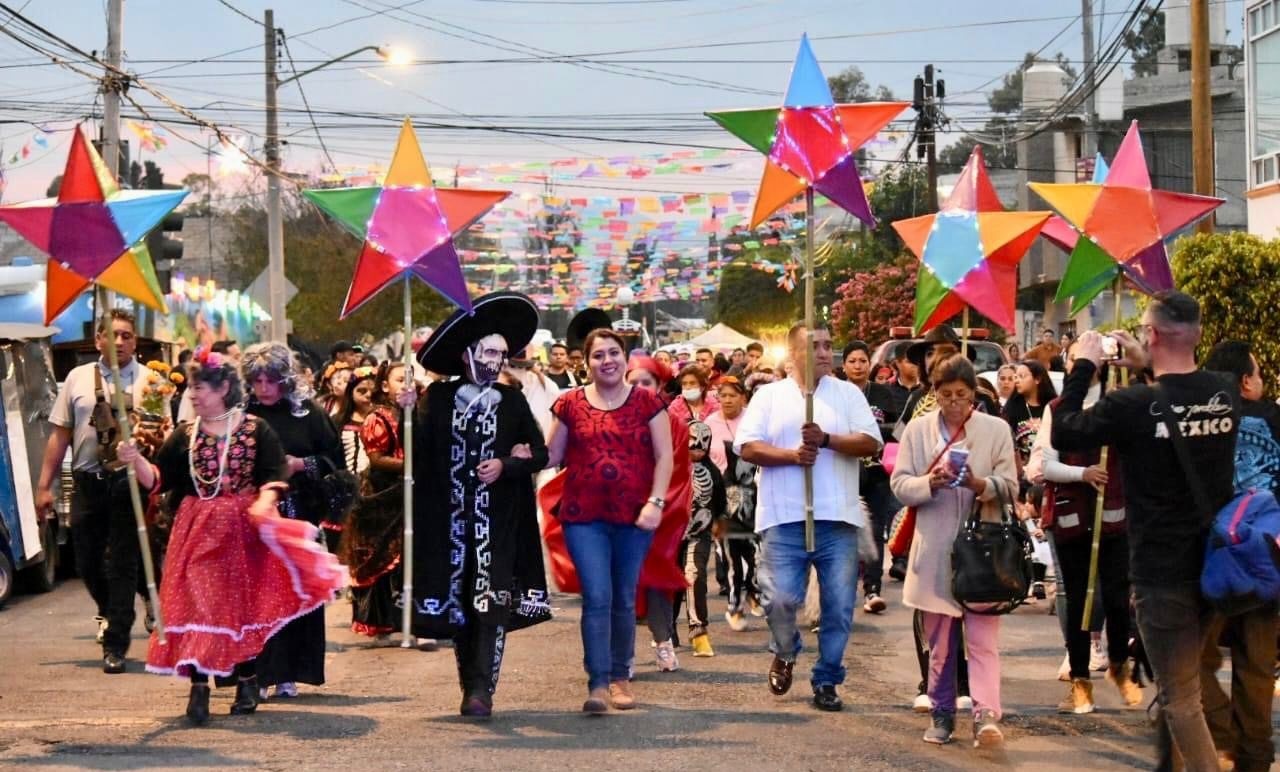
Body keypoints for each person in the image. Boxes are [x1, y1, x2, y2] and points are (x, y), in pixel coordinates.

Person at [1051, 292, 1239, 772]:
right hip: (1217, 567)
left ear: (1150, 335)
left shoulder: (1131, 404)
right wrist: (1146, 369)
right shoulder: (1223, 391)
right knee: (1188, 686)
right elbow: (1175, 401)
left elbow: (1065, 431)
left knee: (1180, 699)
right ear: (1196, 334)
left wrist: (1083, 368)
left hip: (1162, 572)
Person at [118, 347, 344, 725]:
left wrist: (264, 500)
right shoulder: (184, 435)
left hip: (243, 530)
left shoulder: (255, 430)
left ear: (223, 388)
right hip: (195, 530)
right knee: (198, 606)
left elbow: (274, 475)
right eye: (191, 388)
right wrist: (135, 460)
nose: (192, 395)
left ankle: (247, 678)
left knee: (239, 608)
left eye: (199, 387)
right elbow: (159, 481)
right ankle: (199, 687)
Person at [409, 292, 553, 718]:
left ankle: (481, 690)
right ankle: (468, 682)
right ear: (469, 353)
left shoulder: (512, 401)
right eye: (489, 351)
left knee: (491, 602)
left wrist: (506, 465)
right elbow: (418, 455)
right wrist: (405, 416)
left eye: (502, 354)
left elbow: (541, 454)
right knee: (461, 607)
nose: (496, 360)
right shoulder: (435, 398)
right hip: (448, 524)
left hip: (499, 522)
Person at [736, 323, 881, 712]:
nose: (823, 352)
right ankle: (785, 648)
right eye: (813, 345)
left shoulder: (848, 395)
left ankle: (828, 678)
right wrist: (791, 456)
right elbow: (747, 446)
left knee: (837, 605)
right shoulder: (769, 396)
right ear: (793, 352)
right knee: (780, 598)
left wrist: (829, 440)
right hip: (784, 516)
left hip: (837, 518)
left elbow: (871, 442)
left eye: (828, 345)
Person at [890, 354, 1018, 746]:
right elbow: (900, 484)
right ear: (934, 393)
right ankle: (942, 713)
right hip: (936, 548)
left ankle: (985, 715)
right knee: (941, 643)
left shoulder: (995, 429)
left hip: (984, 549)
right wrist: (930, 482)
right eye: (946, 395)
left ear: (973, 393)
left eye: (962, 394)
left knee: (982, 639)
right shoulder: (917, 430)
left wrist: (980, 484)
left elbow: (1012, 485)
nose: (954, 403)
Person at [544, 329, 674, 714]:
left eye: (613, 353)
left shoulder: (648, 402)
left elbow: (665, 456)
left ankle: (621, 677)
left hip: (635, 515)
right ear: (586, 363)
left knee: (622, 595)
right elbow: (552, 454)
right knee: (597, 596)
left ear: (626, 357)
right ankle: (598, 683)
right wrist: (519, 450)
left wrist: (656, 501)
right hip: (583, 515)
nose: (607, 361)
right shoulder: (568, 403)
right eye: (598, 355)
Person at [35, 309, 155, 673]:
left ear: (135, 341)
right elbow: (60, 434)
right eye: (112, 335)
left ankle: (116, 641)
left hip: (129, 484)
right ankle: (111, 607)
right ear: (98, 339)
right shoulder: (76, 379)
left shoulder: (151, 381)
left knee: (123, 562)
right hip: (88, 481)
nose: (119, 342)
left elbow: (162, 433)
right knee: (86, 560)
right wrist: (45, 486)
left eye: (127, 336)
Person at [1026, 344, 1140, 715]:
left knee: (1117, 596)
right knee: (1078, 599)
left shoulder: (1119, 404)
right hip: (1071, 517)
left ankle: (1119, 665)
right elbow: (1044, 465)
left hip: (1114, 516)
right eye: (1077, 357)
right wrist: (1083, 474)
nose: (1085, 364)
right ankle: (1079, 680)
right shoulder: (1057, 410)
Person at [240, 342, 344, 700]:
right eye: (257, 381)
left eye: (271, 380)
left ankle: (292, 672)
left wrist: (301, 465)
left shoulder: (309, 414)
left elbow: (335, 461)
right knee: (258, 596)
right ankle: (259, 673)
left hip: (298, 513)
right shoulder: (240, 416)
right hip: (254, 516)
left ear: (285, 380)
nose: (264, 388)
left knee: (296, 594)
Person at [1199, 340, 1279, 772]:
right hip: (1267, 559)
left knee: (1191, 661)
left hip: (1211, 559)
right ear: (1247, 381)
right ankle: (1254, 757)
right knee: (1257, 667)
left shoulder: (1203, 421)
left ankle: (1220, 734)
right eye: (1260, 373)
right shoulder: (1278, 421)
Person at [343, 361, 410, 644]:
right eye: (399, 380)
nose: (406, 385)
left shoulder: (412, 413)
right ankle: (381, 623)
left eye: (409, 379)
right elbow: (377, 457)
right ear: (385, 386)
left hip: (408, 494)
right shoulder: (377, 417)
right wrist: (412, 465)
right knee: (381, 560)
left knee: (409, 558)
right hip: (381, 497)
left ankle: (411, 621)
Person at [842, 341, 900, 615]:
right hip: (844, 471)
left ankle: (872, 589)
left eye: (862, 360)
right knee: (844, 530)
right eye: (852, 361)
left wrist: (877, 433)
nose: (858, 365)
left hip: (876, 472)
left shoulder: (883, 394)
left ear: (870, 364)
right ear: (844, 366)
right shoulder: (836, 394)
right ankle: (843, 587)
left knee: (876, 530)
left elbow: (895, 430)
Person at [709, 377, 761, 630]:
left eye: (733, 395)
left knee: (755, 554)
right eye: (723, 395)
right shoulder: (709, 423)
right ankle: (735, 605)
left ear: (744, 397)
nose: (727, 400)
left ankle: (753, 589)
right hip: (722, 498)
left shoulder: (755, 419)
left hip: (755, 496)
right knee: (731, 556)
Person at [677, 420, 725, 657]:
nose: (697, 445)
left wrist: (718, 526)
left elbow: (721, 504)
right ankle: (666, 631)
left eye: (703, 441)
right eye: (692, 439)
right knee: (671, 582)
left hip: (700, 532)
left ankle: (698, 630)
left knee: (694, 575)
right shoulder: (671, 466)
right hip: (672, 533)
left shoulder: (713, 472)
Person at [1003, 359, 1057, 485]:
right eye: (1016, 377)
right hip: (1019, 477)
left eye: (1022, 376)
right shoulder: (1012, 408)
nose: (1016, 381)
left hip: (1048, 474)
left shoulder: (1053, 407)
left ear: (1037, 379)